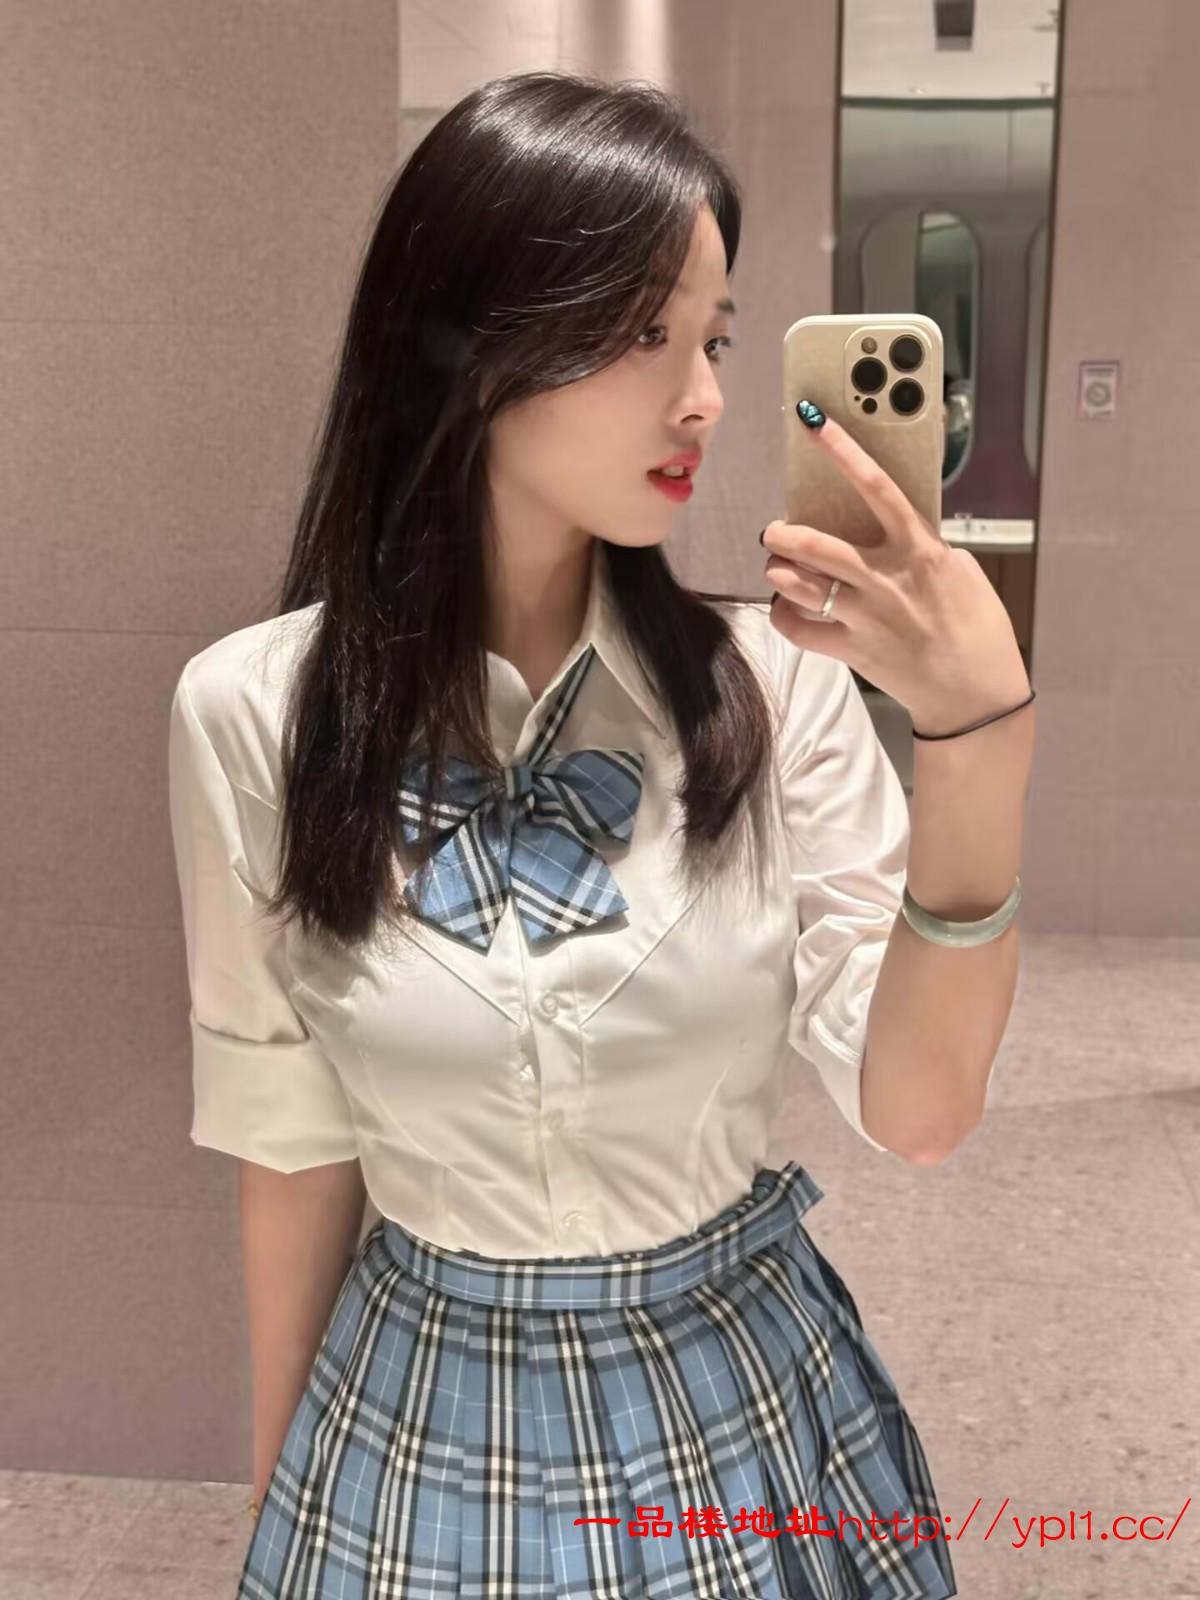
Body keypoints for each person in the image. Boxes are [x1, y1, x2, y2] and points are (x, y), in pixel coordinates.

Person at [168, 68, 1031, 1600]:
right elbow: (289, 1144)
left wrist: (974, 737)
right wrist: (275, 1498)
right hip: (414, 1405)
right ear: (466, 340)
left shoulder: (774, 689)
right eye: (645, 334)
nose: (704, 397)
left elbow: (919, 1109)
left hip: (734, 1396)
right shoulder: (254, 715)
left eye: (714, 338)